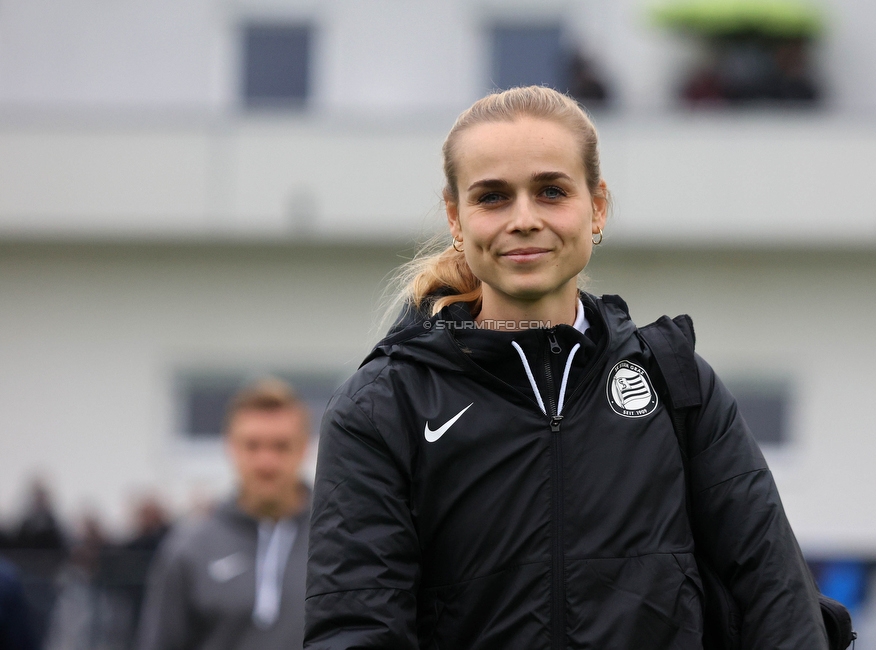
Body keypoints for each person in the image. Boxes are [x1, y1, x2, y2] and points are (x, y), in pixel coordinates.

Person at [305, 86, 828, 649]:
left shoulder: (677, 383)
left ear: (597, 206)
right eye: (493, 197)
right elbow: (356, 630)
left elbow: (777, 599)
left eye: (551, 191)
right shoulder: (383, 406)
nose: (524, 219)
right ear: (456, 218)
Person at [136, 378, 311, 650]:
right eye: (252, 445)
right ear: (230, 447)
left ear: (303, 449)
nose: (266, 462)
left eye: (281, 446)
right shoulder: (188, 549)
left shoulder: (340, 541)